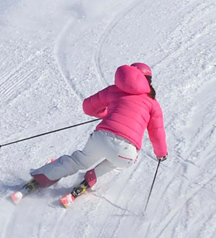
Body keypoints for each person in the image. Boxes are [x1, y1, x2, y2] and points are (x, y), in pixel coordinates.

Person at [18, 63, 167, 199]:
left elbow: (88, 107)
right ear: (148, 81)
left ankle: (42, 176)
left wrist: (104, 114)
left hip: (100, 137)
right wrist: (161, 154)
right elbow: (157, 133)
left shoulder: (114, 90)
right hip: (125, 149)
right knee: (122, 163)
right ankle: (92, 179)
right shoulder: (153, 104)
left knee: (78, 160)